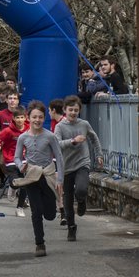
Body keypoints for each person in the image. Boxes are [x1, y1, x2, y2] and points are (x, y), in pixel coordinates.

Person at [12, 101, 64, 257]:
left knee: (49, 214)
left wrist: (60, 179)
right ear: (29, 117)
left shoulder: (50, 136)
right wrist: (20, 165)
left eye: (40, 117)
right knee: (36, 211)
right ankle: (40, 244)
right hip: (32, 176)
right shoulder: (22, 137)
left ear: (44, 118)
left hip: (47, 176)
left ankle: (52, 210)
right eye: (34, 117)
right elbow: (16, 157)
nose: (37, 120)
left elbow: (59, 158)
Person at [54, 95, 103, 242]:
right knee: (67, 201)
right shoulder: (60, 126)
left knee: (81, 189)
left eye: (76, 110)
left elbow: (94, 138)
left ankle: (81, 200)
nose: (73, 113)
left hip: (82, 162)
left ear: (79, 110)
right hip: (67, 166)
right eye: (70, 110)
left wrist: (99, 154)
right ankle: (71, 227)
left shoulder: (84, 124)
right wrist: (73, 141)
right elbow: (57, 145)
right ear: (64, 110)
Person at [0, 106, 29, 217]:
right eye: (17, 117)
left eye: (22, 117)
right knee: (15, 182)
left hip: (25, 160)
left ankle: (19, 208)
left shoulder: (29, 130)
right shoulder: (8, 131)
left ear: (25, 118)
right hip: (11, 160)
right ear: (13, 119)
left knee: (24, 184)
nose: (20, 120)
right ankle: (13, 187)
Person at [48, 98, 67, 225]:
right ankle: (63, 213)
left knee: (63, 187)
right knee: (58, 186)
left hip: (67, 159)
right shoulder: (54, 122)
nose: (49, 113)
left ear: (54, 110)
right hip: (56, 158)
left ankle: (65, 211)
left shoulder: (64, 123)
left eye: (49, 110)